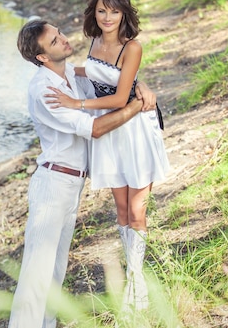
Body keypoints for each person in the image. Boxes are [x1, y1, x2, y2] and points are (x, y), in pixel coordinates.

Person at [9, 19, 157, 328]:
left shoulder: (69, 78)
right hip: (53, 185)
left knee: (54, 274)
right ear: (42, 58)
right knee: (36, 276)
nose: (64, 39)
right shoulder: (44, 90)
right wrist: (135, 107)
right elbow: (95, 128)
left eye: (59, 33)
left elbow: (114, 83)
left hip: (71, 184)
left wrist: (139, 86)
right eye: (54, 41)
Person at [44, 0, 170, 311]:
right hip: (110, 132)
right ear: (94, 13)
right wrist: (61, 71)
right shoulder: (95, 42)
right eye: (102, 10)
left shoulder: (133, 48)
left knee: (138, 208)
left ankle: (137, 280)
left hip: (134, 129)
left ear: (124, 13)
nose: (108, 17)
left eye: (115, 11)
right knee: (122, 210)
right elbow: (93, 72)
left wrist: (76, 102)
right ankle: (131, 273)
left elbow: (118, 96)